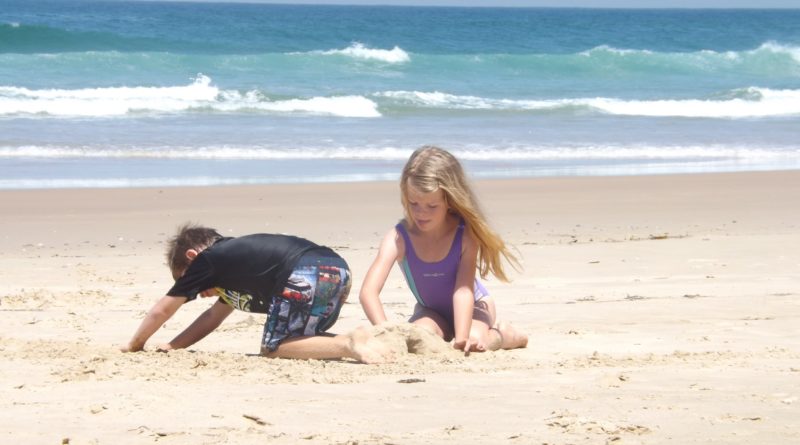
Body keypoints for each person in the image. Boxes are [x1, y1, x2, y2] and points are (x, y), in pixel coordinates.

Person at [121, 223, 393, 364]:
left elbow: (163, 309)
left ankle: (347, 344)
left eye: (190, 282)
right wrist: (172, 346)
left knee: (274, 349)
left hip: (302, 271)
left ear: (193, 257)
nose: (197, 291)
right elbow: (211, 318)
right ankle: (366, 342)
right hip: (337, 269)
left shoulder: (209, 260)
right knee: (301, 341)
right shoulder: (236, 270)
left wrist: (135, 344)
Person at [359, 146, 528, 354]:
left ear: (449, 201)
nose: (421, 213)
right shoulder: (398, 238)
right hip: (431, 311)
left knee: (474, 343)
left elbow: (463, 290)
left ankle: (505, 335)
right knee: (418, 339)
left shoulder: (465, 236)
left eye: (432, 206)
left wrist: (463, 337)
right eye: (414, 203)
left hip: (474, 306)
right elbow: (368, 292)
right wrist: (385, 332)